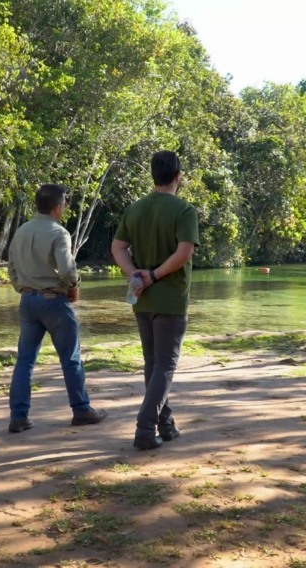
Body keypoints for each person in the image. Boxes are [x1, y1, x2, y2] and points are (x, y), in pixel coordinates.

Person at [110, 151, 200, 450]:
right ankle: (145, 429)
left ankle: (166, 423)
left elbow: (118, 247)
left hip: (143, 298)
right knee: (165, 365)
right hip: (171, 300)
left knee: (153, 364)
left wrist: (135, 273)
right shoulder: (184, 210)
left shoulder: (134, 209)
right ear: (178, 176)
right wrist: (154, 274)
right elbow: (184, 252)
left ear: (153, 175)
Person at [6, 183, 108, 433]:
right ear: (58, 206)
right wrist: (74, 285)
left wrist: (22, 289)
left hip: (28, 302)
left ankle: (19, 416)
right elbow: (65, 269)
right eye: (64, 205)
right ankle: (81, 409)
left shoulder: (21, 231)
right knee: (71, 359)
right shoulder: (59, 232)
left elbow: (11, 268)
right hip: (53, 301)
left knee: (25, 362)